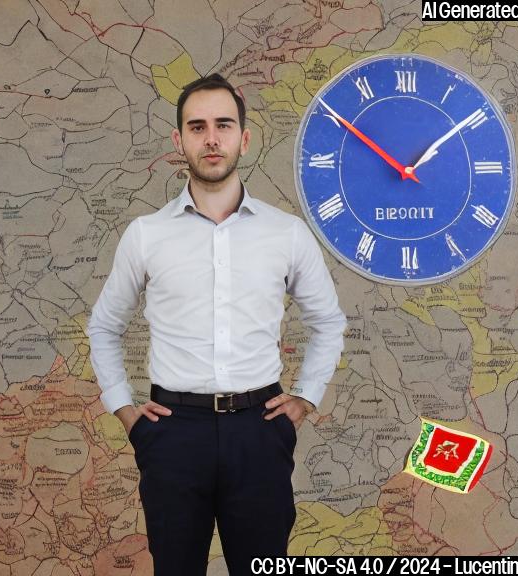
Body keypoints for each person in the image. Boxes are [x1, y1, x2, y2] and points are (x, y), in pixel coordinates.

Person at [87, 74, 347, 575]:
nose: (211, 138)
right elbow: (104, 326)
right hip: (172, 435)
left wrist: (307, 396)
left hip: (260, 431)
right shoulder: (147, 235)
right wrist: (123, 409)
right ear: (178, 140)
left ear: (243, 139)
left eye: (223, 125)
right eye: (197, 126)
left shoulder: (286, 234)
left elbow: (328, 322)